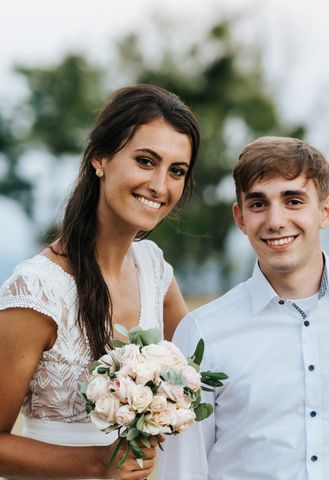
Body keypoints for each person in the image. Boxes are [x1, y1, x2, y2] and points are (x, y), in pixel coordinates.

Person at [157, 136, 329, 479]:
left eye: (293, 200)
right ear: (240, 217)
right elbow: (183, 469)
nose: (275, 220)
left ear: (325, 211)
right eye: (258, 204)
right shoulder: (203, 331)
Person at [0, 84, 200, 479]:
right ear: (100, 159)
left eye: (176, 171)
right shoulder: (37, 291)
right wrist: (96, 463)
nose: (161, 186)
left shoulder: (153, 268)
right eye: (146, 161)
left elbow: (203, 370)